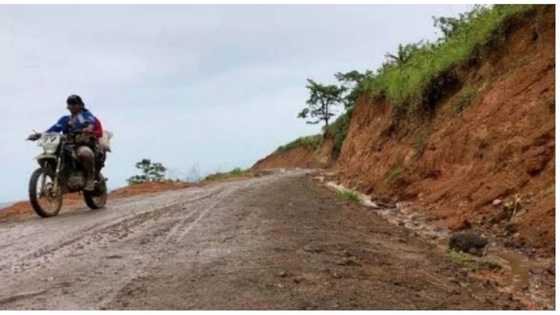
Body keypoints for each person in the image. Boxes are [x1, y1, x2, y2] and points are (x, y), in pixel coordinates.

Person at [30, 95, 99, 191]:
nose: (72, 106)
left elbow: (91, 123)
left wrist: (88, 129)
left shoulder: (85, 115)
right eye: (70, 104)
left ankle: (90, 179)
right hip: (66, 145)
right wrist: (39, 135)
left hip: (81, 143)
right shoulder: (65, 119)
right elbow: (54, 129)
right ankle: (59, 181)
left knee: (85, 153)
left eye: (74, 104)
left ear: (80, 105)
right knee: (43, 158)